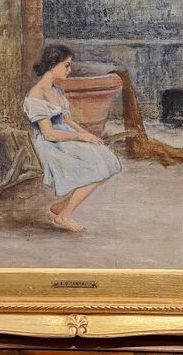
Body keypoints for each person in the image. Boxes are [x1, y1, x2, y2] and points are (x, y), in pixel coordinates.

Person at [23, 44, 121, 233]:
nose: (70, 70)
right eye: (66, 65)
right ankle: (63, 216)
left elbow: (68, 121)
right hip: (52, 143)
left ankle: (62, 206)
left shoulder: (56, 91)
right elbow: (49, 133)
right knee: (97, 167)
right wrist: (80, 137)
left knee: (109, 160)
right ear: (53, 64)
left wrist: (87, 135)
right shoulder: (36, 94)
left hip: (66, 136)